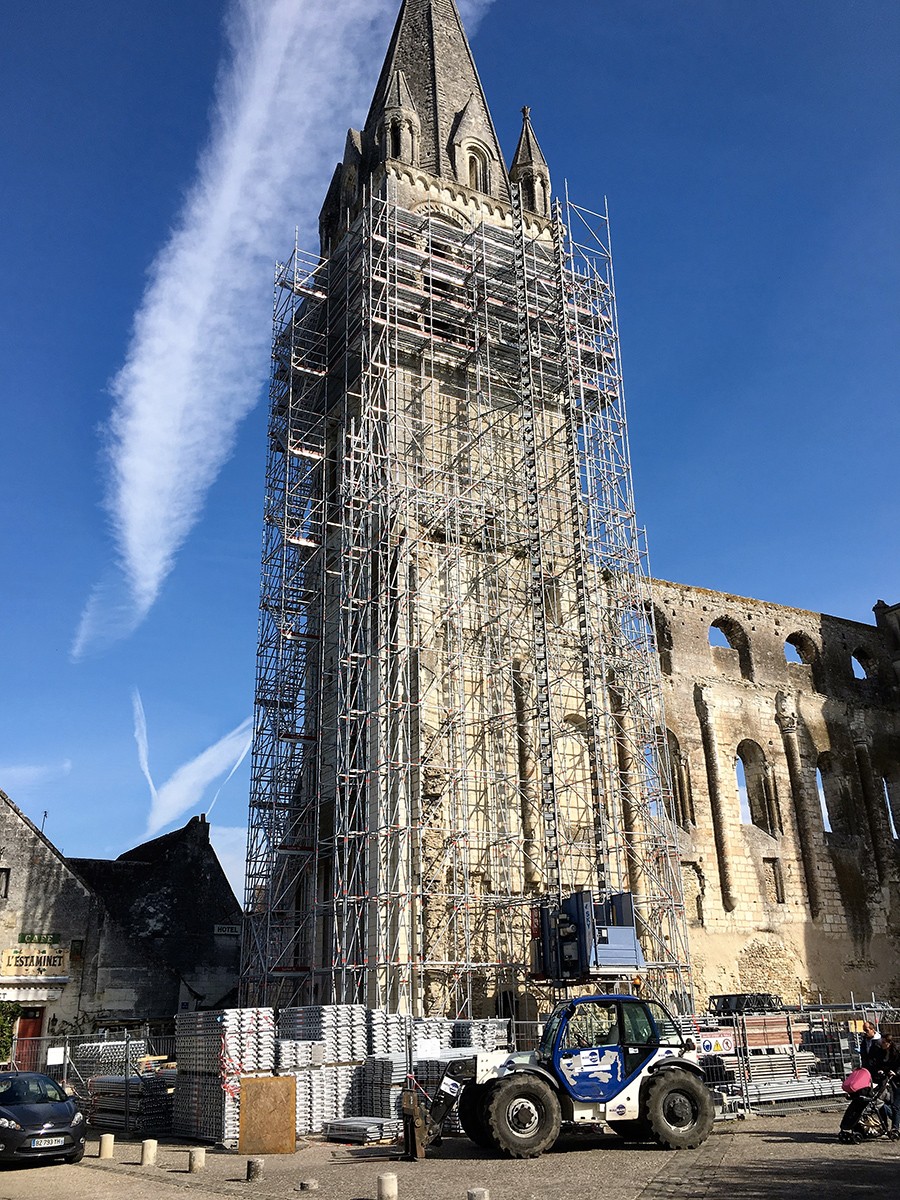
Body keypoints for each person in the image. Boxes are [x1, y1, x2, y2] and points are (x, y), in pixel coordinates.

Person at [877, 1035, 900, 1139]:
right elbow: (882, 1064)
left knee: (895, 1105)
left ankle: (895, 1128)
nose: (881, 1044)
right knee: (881, 1103)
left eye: (883, 1042)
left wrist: (896, 1072)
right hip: (888, 1081)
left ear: (888, 1043)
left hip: (897, 1081)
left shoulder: (897, 1052)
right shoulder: (882, 1053)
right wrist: (882, 1070)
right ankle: (885, 1126)